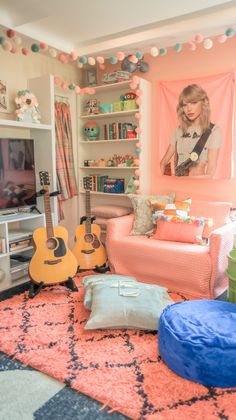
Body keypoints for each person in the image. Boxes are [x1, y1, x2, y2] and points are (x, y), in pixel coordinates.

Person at [160, 84, 222, 178]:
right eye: (185, 105)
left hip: (198, 186)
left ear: (203, 102)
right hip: (178, 185)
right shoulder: (178, 130)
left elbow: (211, 170)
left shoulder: (213, 130)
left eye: (193, 103)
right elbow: (163, 162)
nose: (189, 109)